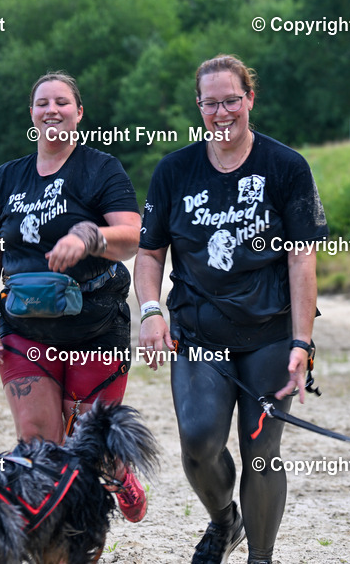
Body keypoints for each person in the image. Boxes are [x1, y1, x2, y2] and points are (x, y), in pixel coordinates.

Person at [134, 54, 329, 563]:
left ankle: (260, 557)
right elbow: (150, 254)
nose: (222, 113)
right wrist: (151, 311)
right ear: (199, 106)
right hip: (199, 334)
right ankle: (225, 522)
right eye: (211, 103)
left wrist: (302, 342)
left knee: (261, 452)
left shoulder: (286, 167)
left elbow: (301, 258)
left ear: (250, 99)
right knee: (199, 442)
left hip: (270, 334)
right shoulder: (175, 171)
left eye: (231, 101)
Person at [0, 71, 148, 522]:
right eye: (43, 103)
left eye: (62, 102)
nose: (52, 110)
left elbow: (133, 236)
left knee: (89, 448)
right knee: (39, 446)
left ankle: (116, 470)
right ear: (31, 113)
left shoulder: (100, 169)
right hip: (24, 328)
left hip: (96, 326)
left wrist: (88, 237)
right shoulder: (7, 177)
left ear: (79, 112)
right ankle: (63, 540)